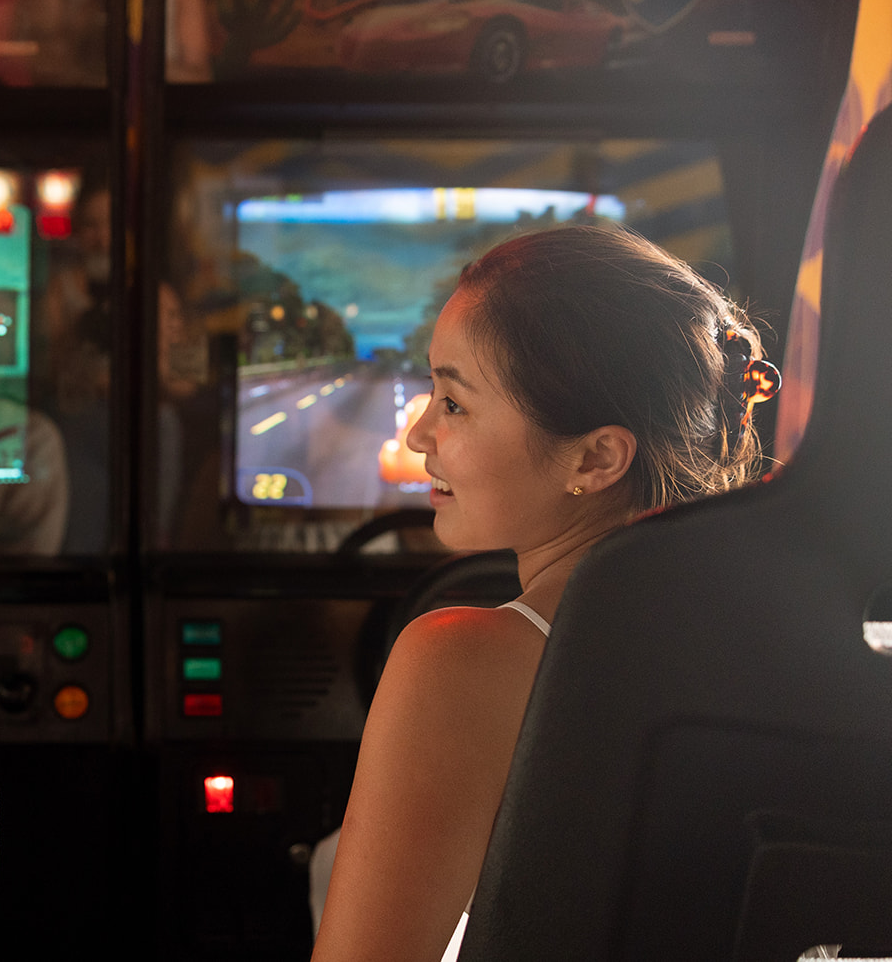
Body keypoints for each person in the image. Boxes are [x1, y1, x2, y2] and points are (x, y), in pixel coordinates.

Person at [310, 225, 774, 962]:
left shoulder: (458, 661)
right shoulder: (776, 643)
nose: (420, 431)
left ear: (595, 457)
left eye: (454, 403)